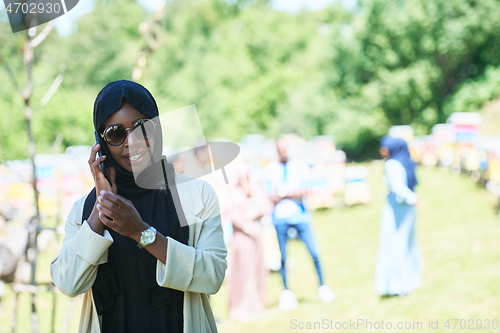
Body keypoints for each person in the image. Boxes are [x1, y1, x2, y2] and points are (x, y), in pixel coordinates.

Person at [50, 80, 227, 333]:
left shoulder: (196, 195)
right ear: (100, 143)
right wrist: (101, 211)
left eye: (142, 127)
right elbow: (68, 283)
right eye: (115, 133)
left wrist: (141, 233)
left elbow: (212, 276)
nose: (132, 141)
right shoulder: (84, 210)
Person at [263, 138, 335, 311]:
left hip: (300, 216)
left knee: (314, 252)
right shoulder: (270, 169)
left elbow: (306, 189)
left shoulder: (299, 166)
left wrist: (285, 193)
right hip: (280, 218)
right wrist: (287, 194)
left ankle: (322, 286)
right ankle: (287, 292)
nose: (283, 152)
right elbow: (269, 194)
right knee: (283, 257)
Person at [374, 136, 421, 297]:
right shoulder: (404, 160)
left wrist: (411, 198)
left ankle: (399, 285)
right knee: (407, 243)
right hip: (407, 206)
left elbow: (397, 186)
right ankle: (409, 281)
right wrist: (412, 198)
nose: (382, 150)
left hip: (399, 207)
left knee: (396, 244)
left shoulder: (392, 163)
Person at [227, 169, 270, 321]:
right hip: (242, 239)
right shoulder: (234, 195)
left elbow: (266, 207)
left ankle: (257, 303)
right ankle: (241, 307)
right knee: (243, 272)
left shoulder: (255, 192)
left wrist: (255, 199)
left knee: (257, 270)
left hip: (256, 237)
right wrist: (247, 225)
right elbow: (233, 216)